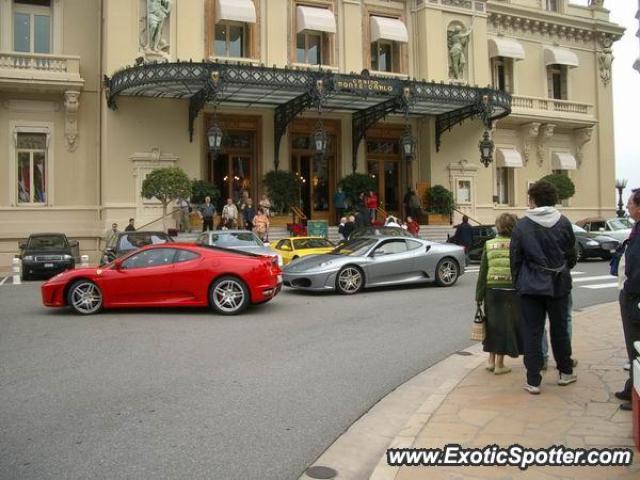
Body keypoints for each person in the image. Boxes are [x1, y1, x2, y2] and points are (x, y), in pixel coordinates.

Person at [510, 180, 577, 395]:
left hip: (530, 286)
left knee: (532, 332)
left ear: (533, 199)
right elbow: (572, 254)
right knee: (560, 331)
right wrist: (563, 269)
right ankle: (565, 372)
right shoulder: (564, 222)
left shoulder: (522, 225)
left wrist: (518, 282)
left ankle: (533, 380)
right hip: (558, 284)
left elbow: (516, 258)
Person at [475, 213, 522, 375]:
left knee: (492, 325)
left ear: (498, 226)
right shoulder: (516, 245)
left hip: (491, 290)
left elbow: (482, 272)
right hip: (510, 290)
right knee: (506, 326)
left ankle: (490, 361)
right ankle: (500, 365)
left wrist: (478, 296)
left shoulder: (489, 244)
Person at [615, 188, 640, 411]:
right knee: (633, 345)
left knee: (636, 345)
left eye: (631, 203)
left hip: (635, 297)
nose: (627, 206)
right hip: (631, 293)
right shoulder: (636, 229)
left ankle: (637, 394)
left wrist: (629, 290)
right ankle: (632, 385)